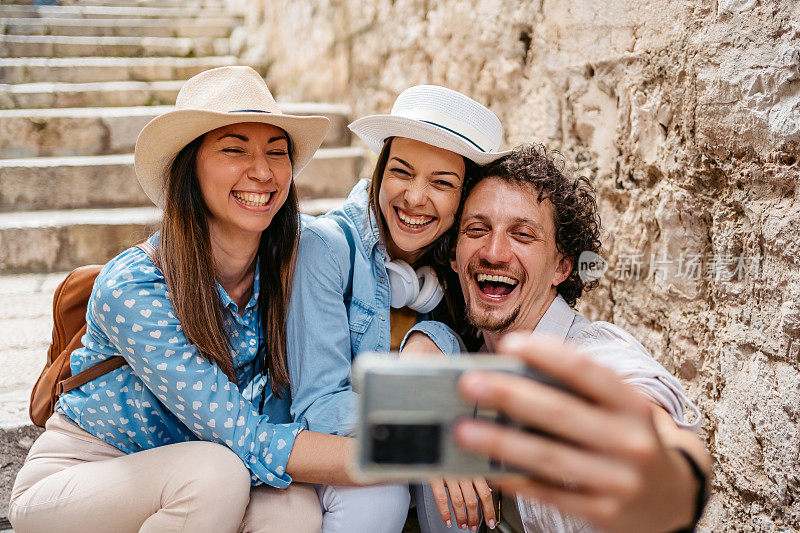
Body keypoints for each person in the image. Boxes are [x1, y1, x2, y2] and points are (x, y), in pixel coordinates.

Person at [8, 66, 360, 533]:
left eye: (277, 152)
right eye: (234, 150)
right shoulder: (134, 287)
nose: (262, 171)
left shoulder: (291, 266)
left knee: (294, 508)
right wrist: (409, 457)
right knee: (214, 475)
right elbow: (246, 438)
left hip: (204, 473)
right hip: (83, 474)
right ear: (189, 168)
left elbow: (366, 234)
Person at [408, 143, 712, 532]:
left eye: (523, 234)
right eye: (477, 229)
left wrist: (665, 485)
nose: (495, 251)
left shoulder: (592, 352)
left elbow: (654, 425)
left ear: (562, 266)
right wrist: (423, 340)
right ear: (454, 257)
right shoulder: (460, 357)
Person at [286, 85, 511, 532]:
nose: (413, 197)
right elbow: (318, 406)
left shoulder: (462, 268)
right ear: (379, 172)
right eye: (401, 172)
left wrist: (432, 341)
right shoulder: (324, 249)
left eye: (442, 183)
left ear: (465, 198)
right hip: (318, 456)